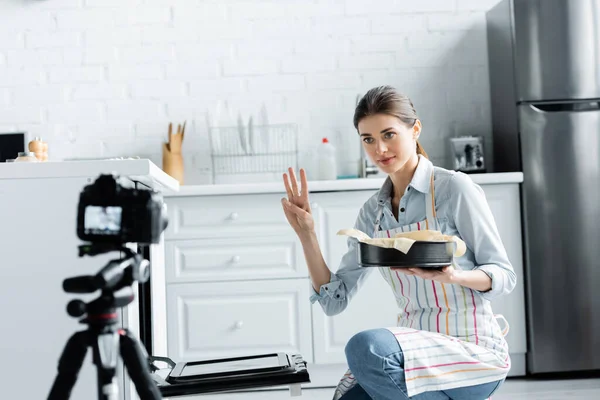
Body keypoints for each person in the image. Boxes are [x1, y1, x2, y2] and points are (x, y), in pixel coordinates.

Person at [281, 86, 515, 400]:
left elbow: (503, 275)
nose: (379, 149)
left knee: (366, 348)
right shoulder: (373, 214)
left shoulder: (453, 189)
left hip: (472, 351)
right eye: (368, 139)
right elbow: (333, 301)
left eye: (389, 134)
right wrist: (306, 234)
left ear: (415, 129)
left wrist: (454, 276)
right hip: (414, 349)